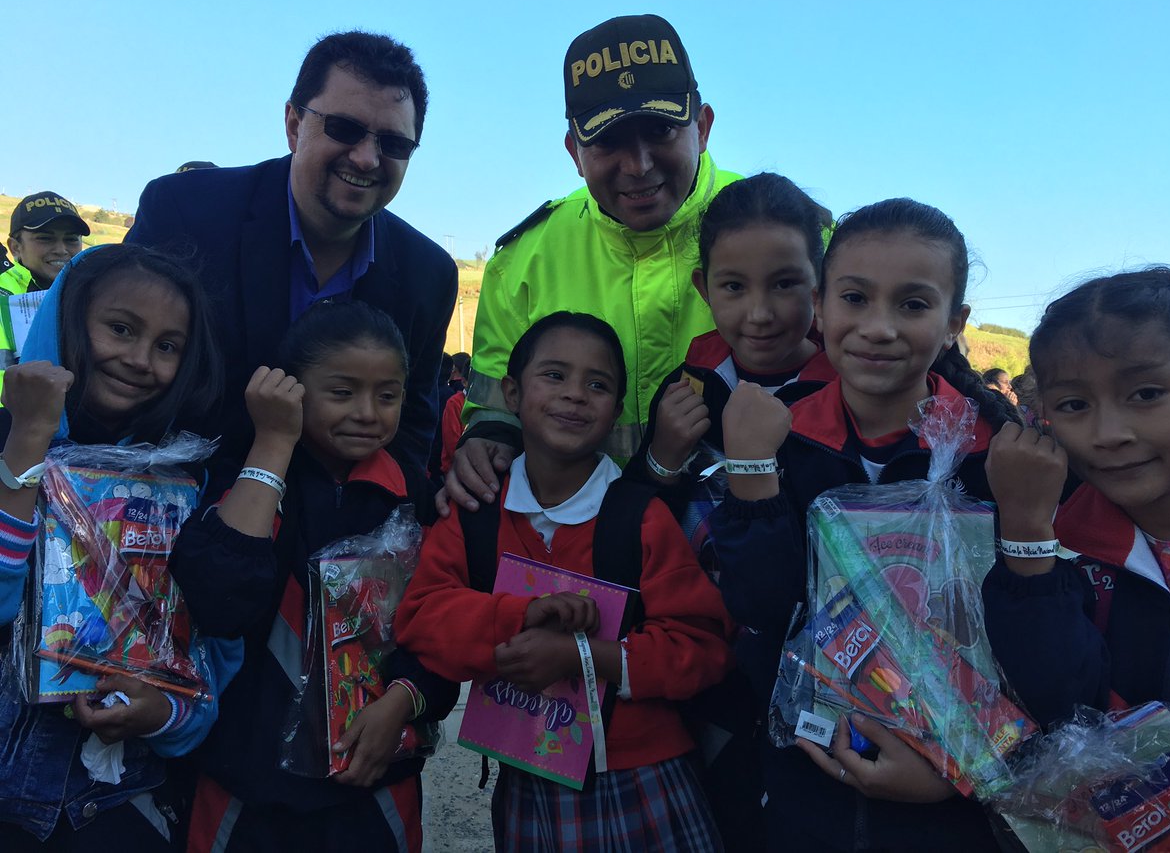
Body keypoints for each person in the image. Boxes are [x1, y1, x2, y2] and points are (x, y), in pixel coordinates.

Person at [710, 199, 1019, 850]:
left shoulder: (998, 455)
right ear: (821, 307)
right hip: (805, 779)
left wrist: (959, 770)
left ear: (954, 322)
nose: (878, 327)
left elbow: (1025, 645)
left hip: (949, 802)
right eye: (856, 298)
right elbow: (764, 606)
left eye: (912, 305)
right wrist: (751, 471)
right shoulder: (778, 435)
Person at [397, 312, 733, 852]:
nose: (575, 395)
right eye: (554, 375)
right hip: (530, 779)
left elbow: (703, 645)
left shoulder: (639, 517)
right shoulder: (476, 512)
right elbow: (421, 616)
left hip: (643, 777)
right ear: (511, 392)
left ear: (619, 409)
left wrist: (588, 658)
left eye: (597, 384)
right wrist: (522, 616)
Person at [169, 301, 457, 852]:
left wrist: (405, 699)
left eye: (388, 394)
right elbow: (218, 600)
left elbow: (444, 629)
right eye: (342, 392)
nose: (369, 413)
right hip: (244, 785)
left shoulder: (416, 499)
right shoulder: (249, 479)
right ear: (293, 391)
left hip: (374, 784)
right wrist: (273, 445)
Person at [446, 14, 745, 513]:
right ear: (574, 152)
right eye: (608, 141)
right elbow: (496, 409)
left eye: (660, 130)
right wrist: (485, 441)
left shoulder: (792, 233)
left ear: (704, 126)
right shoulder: (519, 261)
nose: (639, 164)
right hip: (576, 553)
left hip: (745, 543)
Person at [125, 31, 457, 480]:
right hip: (173, 510)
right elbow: (122, 373)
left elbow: (413, 430)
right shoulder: (185, 212)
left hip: (336, 536)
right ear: (294, 125)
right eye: (345, 129)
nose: (366, 158)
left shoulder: (429, 274)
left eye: (394, 144)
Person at [0, 244, 240, 850]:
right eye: (120, 328)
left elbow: (207, 662)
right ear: (65, 323)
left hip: (109, 806)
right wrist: (27, 440)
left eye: (167, 346)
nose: (138, 359)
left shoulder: (183, 490)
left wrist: (166, 714)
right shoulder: (12, 449)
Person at [625, 173, 834, 850]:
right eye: (733, 287)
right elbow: (635, 523)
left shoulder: (850, 396)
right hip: (695, 672)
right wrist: (662, 454)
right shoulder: (687, 387)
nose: (760, 314)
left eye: (785, 284)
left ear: (821, 283)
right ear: (702, 289)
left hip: (815, 679)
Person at [982, 269, 1170, 736]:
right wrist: (1025, 533)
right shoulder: (1059, 541)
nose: (1108, 435)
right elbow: (1056, 708)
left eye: (1146, 394)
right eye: (1075, 405)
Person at [2, 192, 90, 297]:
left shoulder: (96, 291)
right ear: (15, 247)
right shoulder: (4, 287)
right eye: (45, 238)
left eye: (71, 239)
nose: (61, 250)